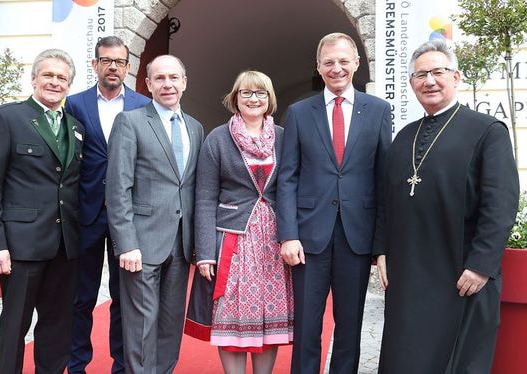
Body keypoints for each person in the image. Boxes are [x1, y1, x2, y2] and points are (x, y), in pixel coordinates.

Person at [376, 39, 519, 374]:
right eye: (421, 74)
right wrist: (380, 249)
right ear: (411, 84)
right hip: (409, 276)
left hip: (461, 274)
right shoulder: (404, 137)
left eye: (437, 72)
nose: (429, 81)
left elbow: (500, 203)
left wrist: (482, 264)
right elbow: (385, 199)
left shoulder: (487, 131)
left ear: (455, 77)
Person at [277, 32, 392, 374]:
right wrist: (288, 234)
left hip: (357, 236)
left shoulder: (378, 110)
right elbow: (287, 177)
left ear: (357, 63)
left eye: (343, 61)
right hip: (308, 238)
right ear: (318, 66)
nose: (337, 68)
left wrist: (381, 243)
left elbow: (383, 179)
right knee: (307, 327)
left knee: (350, 327)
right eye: (329, 62)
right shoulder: (299, 112)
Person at [0, 49, 84, 373]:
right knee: (15, 326)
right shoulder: (7, 117)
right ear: (34, 78)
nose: (54, 82)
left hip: (64, 245)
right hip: (21, 245)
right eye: (48, 75)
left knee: (57, 325)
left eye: (62, 78)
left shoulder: (75, 127)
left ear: (69, 85)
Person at [184, 71, 294, 374]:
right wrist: (204, 252)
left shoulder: (285, 137)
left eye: (260, 93)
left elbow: (292, 187)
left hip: (273, 241)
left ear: (269, 99)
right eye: (246, 93)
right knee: (231, 314)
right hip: (233, 239)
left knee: (268, 316)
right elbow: (205, 197)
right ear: (235, 99)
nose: (253, 98)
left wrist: (293, 235)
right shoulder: (218, 138)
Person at [105, 54, 203, 373]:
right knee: (141, 325)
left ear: (185, 82)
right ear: (147, 84)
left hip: (181, 242)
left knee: (171, 322)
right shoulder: (130, 122)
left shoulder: (195, 128)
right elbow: (118, 187)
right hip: (142, 243)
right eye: (159, 78)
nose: (167, 84)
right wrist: (126, 243)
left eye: (174, 78)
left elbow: (193, 187)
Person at [64, 36, 150, 374]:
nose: (113, 66)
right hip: (85, 213)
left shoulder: (144, 106)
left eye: (119, 61)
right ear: (95, 64)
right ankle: (76, 364)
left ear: (128, 67)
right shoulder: (75, 104)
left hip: (127, 217)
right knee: (80, 298)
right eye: (106, 60)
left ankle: (123, 365)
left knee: (124, 300)